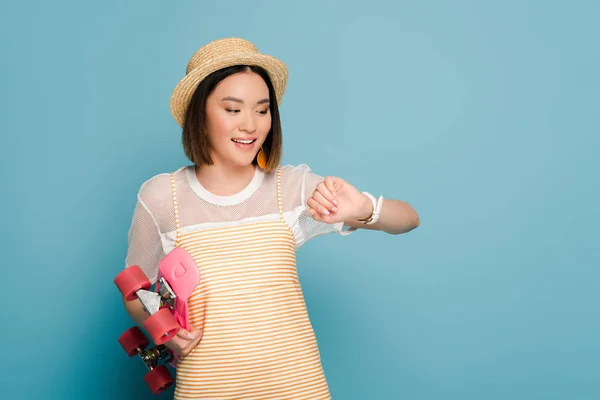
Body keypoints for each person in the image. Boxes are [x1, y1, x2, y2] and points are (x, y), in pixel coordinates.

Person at [122, 37, 420, 400]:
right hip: (207, 388)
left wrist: (363, 209)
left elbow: (408, 218)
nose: (250, 125)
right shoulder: (161, 196)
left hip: (299, 388)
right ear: (199, 115)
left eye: (262, 110)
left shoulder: (289, 188)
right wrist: (162, 328)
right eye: (233, 110)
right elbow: (135, 291)